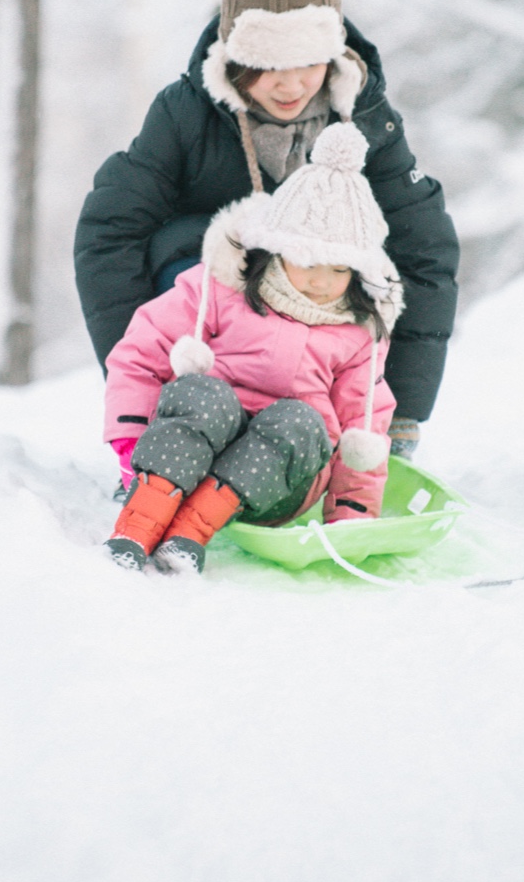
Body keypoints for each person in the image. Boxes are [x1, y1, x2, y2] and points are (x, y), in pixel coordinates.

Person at [74, 0, 458, 461]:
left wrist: (402, 412)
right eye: (267, 64)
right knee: (188, 251)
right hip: (213, 335)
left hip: (323, 329)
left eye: (307, 62)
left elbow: (425, 247)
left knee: (376, 266)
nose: (289, 84)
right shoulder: (186, 113)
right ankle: (192, 434)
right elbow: (109, 230)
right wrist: (141, 383)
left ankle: (321, 442)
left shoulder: (365, 120)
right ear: (235, 56)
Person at [101, 122, 400, 574]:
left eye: (340, 269)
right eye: (307, 262)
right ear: (275, 251)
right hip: (190, 457)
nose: (322, 282)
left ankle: (189, 535)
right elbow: (141, 350)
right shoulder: (222, 292)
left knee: (300, 419)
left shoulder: (357, 335)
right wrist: (131, 440)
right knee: (202, 393)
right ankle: (136, 528)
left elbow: (365, 422)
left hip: (278, 483)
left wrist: (351, 518)